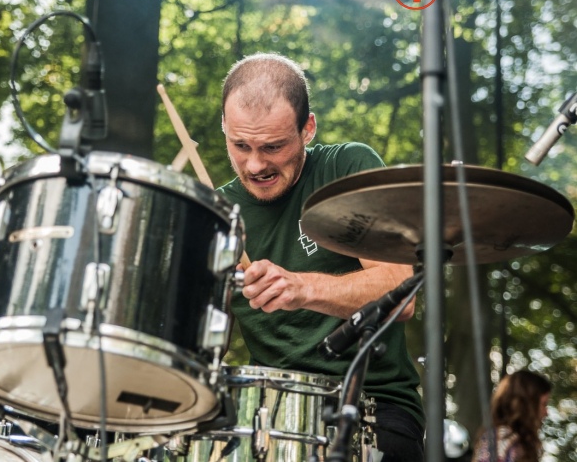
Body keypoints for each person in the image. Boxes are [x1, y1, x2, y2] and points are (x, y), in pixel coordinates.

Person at [217, 52, 425, 461]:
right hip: (267, 417)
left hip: (372, 408)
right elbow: (201, 345)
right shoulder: (219, 211)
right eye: (240, 145)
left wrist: (300, 286)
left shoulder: (346, 167)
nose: (255, 164)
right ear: (224, 128)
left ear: (307, 129)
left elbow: (401, 291)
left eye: (273, 146)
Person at [472, 370, 551, 462]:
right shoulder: (503, 440)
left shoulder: (512, 441)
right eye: (543, 404)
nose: (546, 412)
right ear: (528, 405)